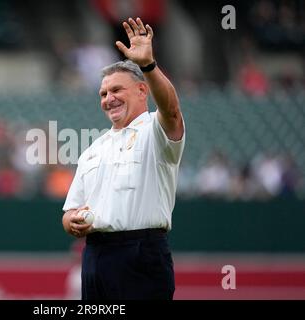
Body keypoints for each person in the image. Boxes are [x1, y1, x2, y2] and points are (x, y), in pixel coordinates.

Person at [62, 17, 185, 300]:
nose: (108, 99)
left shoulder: (156, 131)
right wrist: (72, 222)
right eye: (103, 93)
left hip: (141, 254)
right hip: (94, 256)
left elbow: (172, 109)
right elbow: (70, 212)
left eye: (117, 90)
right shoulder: (93, 149)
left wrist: (148, 66)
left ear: (142, 91)